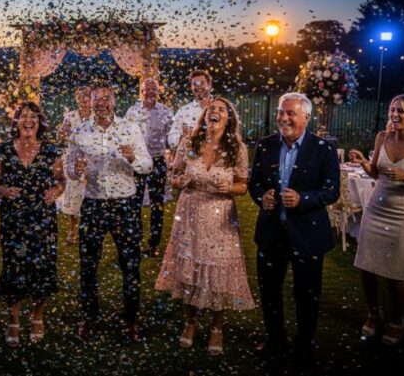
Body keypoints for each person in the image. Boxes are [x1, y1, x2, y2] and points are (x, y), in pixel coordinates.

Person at [155, 97, 255, 356]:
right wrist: (180, 181)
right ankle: (190, 322)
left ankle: (216, 328)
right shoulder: (190, 143)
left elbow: (243, 185)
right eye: (211, 109)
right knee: (189, 268)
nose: (215, 112)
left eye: (221, 110)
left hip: (221, 217)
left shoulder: (237, 149)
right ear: (204, 116)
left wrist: (230, 187)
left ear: (229, 118)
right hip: (190, 213)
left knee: (217, 271)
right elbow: (174, 176)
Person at [248, 92, 340, 373]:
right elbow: (254, 184)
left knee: (307, 293)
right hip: (271, 233)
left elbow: (331, 191)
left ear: (306, 118)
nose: (284, 118)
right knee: (270, 290)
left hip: (308, 235)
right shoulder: (265, 145)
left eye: (290, 113)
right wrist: (262, 196)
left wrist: (304, 199)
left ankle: (304, 345)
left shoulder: (323, 148)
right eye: (281, 112)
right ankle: (276, 339)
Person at [350, 94, 404, 346]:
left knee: (396, 272)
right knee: (367, 266)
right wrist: (364, 162)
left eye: (401, 111)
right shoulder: (383, 137)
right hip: (376, 210)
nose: (395, 115)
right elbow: (376, 172)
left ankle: (398, 320)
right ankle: (373, 314)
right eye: (392, 109)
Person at [67, 83, 152, 342]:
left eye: (106, 98)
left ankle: (130, 319)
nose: (101, 102)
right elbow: (70, 168)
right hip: (93, 205)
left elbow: (147, 165)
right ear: (89, 102)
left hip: (124, 205)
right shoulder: (80, 131)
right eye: (96, 98)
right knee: (88, 265)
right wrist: (76, 168)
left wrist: (131, 158)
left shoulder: (130, 128)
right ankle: (88, 317)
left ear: (114, 102)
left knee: (130, 265)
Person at [0, 101, 64, 346]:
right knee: (15, 265)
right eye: (24, 116)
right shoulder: (3, 150)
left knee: (43, 265)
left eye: (34, 116)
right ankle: (13, 318)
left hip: (43, 217)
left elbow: (61, 180)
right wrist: (2, 191)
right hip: (14, 218)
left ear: (40, 122)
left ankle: (38, 316)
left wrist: (56, 190)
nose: (29, 120)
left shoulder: (51, 150)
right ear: (16, 121)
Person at [126, 78, 173, 258]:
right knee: (134, 202)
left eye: (154, 89)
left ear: (158, 91)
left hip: (157, 161)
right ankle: (135, 242)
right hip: (137, 162)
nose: (150, 92)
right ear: (141, 91)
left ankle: (154, 244)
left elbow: (173, 136)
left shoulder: (166, 112)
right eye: (147, 89)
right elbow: (125, 133)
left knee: (156, 204)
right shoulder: (132, 111)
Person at [57, 86, 92, 245]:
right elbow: (61, 135)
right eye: (79, 96)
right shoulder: (70, 116)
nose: (82, 99)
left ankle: (90, 229)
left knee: (91, 194)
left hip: (92, 159)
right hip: (73, 160)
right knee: (74, 194)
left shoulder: (95, 116)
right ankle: (72, 230)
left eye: (85, 95)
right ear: (75, 98)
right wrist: (63, 134)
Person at [167, 69, 213, 150]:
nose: (198, 86)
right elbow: (171, 138)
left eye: (202, 83)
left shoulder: (221, 108)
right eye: (195, 84)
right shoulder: (183, 111)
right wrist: (184, 138)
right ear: (191, 87)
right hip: (190, 158)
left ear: (209, 85)